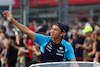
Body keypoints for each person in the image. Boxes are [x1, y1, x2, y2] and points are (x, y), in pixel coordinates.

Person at [2, 11, 76, 62]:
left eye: (56, 30)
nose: (52, 31)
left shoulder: (67, 45)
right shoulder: (44, 40)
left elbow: (74, 63)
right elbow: (27, 31)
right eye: (52, 29)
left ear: (62, 34)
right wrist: (12, 20)